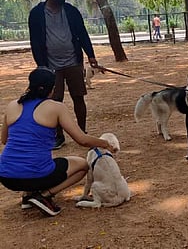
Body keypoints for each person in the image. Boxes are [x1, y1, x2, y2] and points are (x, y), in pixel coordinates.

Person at [0, 67, 116, 216]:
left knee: (35, 161)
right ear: (52, 88)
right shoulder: (56, 108)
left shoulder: (12, 105)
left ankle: (27, 196)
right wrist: (105, 143)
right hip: (36, 174)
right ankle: (44, 195)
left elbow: (4, 140)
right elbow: (82, 140)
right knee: (82, 165)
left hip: (6, 175)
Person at [29, 0, 99, 150]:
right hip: (50, 65)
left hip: (73, 61)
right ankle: (58, 136)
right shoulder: (37, 14)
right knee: (54, 101)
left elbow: (82, 34)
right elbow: (35, 42)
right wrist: (41, 65)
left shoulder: (71, 11)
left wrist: (91, 55)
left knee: (78, 97)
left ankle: (82, 133)